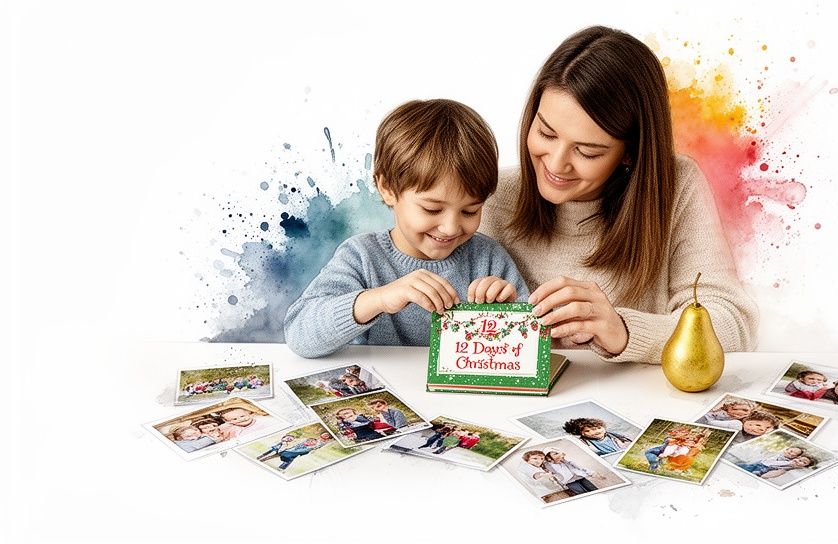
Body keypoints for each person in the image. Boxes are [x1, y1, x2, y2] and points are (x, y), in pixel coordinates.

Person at [479, 25, 758, 365]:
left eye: (587, 152)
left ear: (630, 153)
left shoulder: (676, 186)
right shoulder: (490, 195)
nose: (556, 163)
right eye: (545, 133)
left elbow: (734, 326)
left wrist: (624, 331)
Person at [284, 99, 530, 359]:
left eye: (470, 211)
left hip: (464, 397)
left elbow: (531, 348)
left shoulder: (487, 258)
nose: (450, 228)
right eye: (432, 209)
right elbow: (300, 336)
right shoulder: (362, 256)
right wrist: (378, 299)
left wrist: (509, 314)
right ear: (388, 188)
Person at [562, 417, 631, 456]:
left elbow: (628, 442)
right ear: (582, 433)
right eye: (588, 431)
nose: (596, 431)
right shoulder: (583, 443)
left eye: (599, 428)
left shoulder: (615, 436)